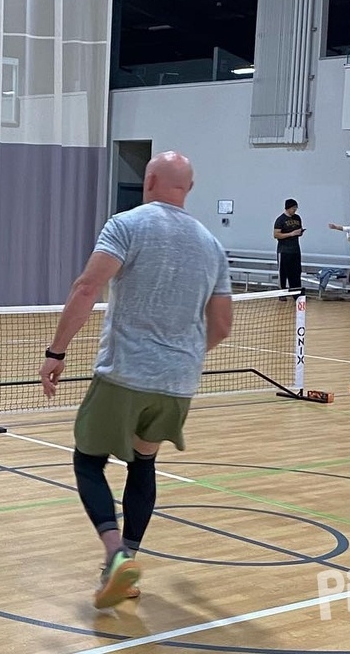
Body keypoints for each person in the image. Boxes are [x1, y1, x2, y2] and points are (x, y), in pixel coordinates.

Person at [38, 151, 232, 610]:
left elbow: (87, 288)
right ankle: (124, 569)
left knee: (88, 461)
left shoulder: (126, 225)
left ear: (149, 181)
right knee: (143, 465)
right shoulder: (212, 245)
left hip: (125, 373)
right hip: (178, 384)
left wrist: (56, 352)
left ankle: (115, 553)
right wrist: (182, 357)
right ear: (188, 188)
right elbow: (222, 327)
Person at [272, 198, 304, 293]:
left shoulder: (297, 218)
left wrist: (299, 232)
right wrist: (291, 234)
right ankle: (282, 292)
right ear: (288, 208)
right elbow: (276, 235)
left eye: (296, 208)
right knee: (283, 273)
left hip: (295, 250)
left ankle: (296, 291)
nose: (295, 210)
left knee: (296, 272)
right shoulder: (280, 220)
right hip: (284, 251)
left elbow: (299, 230)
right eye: (293, 208)